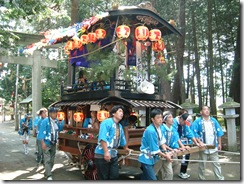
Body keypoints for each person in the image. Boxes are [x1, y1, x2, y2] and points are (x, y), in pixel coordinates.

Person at [94, 105, 130, 180]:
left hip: (113, 154)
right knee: (104, 177)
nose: (122, 113)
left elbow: (122, 139)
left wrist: (126, 148)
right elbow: (102, 138)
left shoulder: (119, 126)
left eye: (122, 112)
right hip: (102, 153)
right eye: (120, 111)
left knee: (114, 176)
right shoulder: (106, 122)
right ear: (113, 113)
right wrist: (106, 152)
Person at [191, 105, 225, 180]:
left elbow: (219, 132)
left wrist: (219, 143)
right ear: (201, 112)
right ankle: (201, 179)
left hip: (213, 145)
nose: (207, 111)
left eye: (208, 109)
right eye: (204, 109)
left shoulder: (214, 120)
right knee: (202, 165)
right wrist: (199, 142)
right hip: (203, 147)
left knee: (216, 164)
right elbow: (194, 133)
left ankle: (219, 179)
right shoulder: (197, 122)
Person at [138, 108, 172, 180]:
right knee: (153, 179)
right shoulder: (151, 131)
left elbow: (162, 142)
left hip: (152, 157)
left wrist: (166, 152)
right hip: (146, 158)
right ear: (152, 119)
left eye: (161, 117)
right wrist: (166, 156)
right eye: (158, 118)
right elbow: (155, 149)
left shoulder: (161, 128)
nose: (160, 119)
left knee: (146, 178)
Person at [156, 111, 190, 180]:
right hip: (163, 152)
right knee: (169, 172)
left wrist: (182, 147)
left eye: (172, 117)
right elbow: (162, 143)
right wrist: (172, 150)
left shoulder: (172, 129)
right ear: (165, 120)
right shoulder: (162, 129)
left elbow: (177, 138)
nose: (172, 119)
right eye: (170, 117)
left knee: (175, 163)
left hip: (170, 151)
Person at [173, 112, 204, 179]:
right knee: (172, 161)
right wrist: (182, 146)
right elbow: (175, 135)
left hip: (180, 141)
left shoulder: (185, 124)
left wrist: (196, 143)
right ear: (181, 118)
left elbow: (189, 133)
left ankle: (183, 172)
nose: (185, 124)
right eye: (184, 122)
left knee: (187, 153)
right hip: (172, 142)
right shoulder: (174, 122)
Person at [37, 107, 65, 180]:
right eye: (53, 113)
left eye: (56, 112)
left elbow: (60, 128)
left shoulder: (56, 121)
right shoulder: (45, 121)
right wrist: (42, 143)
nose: (55, 114)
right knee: (47, 159)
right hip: (46, 142)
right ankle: (49, 175)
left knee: (52, 160)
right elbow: (41, 132)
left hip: (53, 143)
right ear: (50, 113)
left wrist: (62, 121)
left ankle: (47, 172)